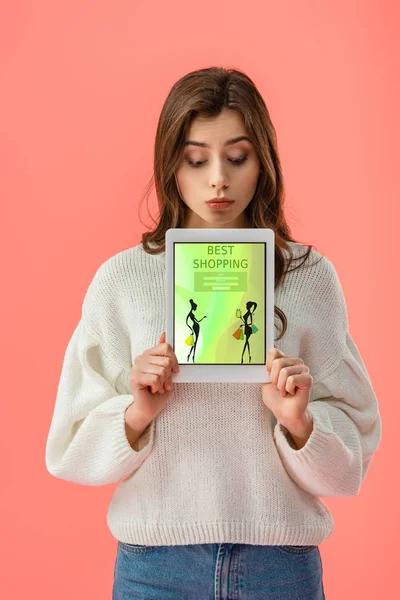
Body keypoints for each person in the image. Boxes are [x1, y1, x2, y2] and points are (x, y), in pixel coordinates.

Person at [45, 67, 382, 599]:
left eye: (238, 157)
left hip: (280, 568)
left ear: (263, 161)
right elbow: (68, 449)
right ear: (170, 164)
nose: (217, 178)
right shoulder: (122, 280)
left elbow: (350, 469)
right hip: (155, 568)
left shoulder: (309, 277)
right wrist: (136, 414)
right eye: (196, 159)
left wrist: (299, 421)